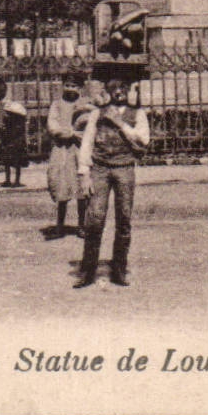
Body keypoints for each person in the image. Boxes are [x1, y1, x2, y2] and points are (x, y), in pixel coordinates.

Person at [74, 71, 149, 288]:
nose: (119, 92)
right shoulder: (98, 114)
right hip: (100, 169)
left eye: (123, 88)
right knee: (95, 219)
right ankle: (88, 272)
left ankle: (119, 270)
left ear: (129, 90)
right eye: (114, 88)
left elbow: (143, 139)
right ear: (108, 91)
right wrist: (84, 173)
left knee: (124, 219)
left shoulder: (138, 114)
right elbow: (87, 142)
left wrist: (120, 124)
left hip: (124, 169)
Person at [44, 80, 93, 237]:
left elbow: (91, 125)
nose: (71, 88)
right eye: (68, 85)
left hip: (80, 150)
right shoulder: (57, 105)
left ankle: (82, 225)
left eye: (74, 85)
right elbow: (52, 126)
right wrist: (70, 133)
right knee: (61, 186)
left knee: (82, 188)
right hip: (62, 149)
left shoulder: (86, 105)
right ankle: (60, 225)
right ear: (63, 86)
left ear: (80, 88)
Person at [0, 97, 29, 188]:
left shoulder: (15, 123)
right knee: (12, 163)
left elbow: (10, 133)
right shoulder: (17, 122)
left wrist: (3, 132)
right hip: (13, 144)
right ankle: (12, 180)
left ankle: (13, 180)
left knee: (13, 163)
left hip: (13, 144)